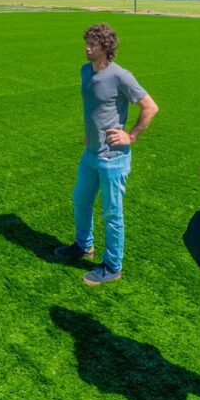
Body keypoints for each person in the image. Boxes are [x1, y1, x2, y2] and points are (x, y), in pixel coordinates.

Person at [54, 23, 159, 285]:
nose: (87, 47)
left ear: (106, 47)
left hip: (113, 158)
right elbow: (93, 108)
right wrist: (90, 132)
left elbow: (150, 107)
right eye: (86, 42)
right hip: (91, 153)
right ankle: (83, 246)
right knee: (80, 201)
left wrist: (130, 135)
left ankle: (112, 265)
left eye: (93, 44)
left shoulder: (120, 76)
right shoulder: (85, 71)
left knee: (112, 214)